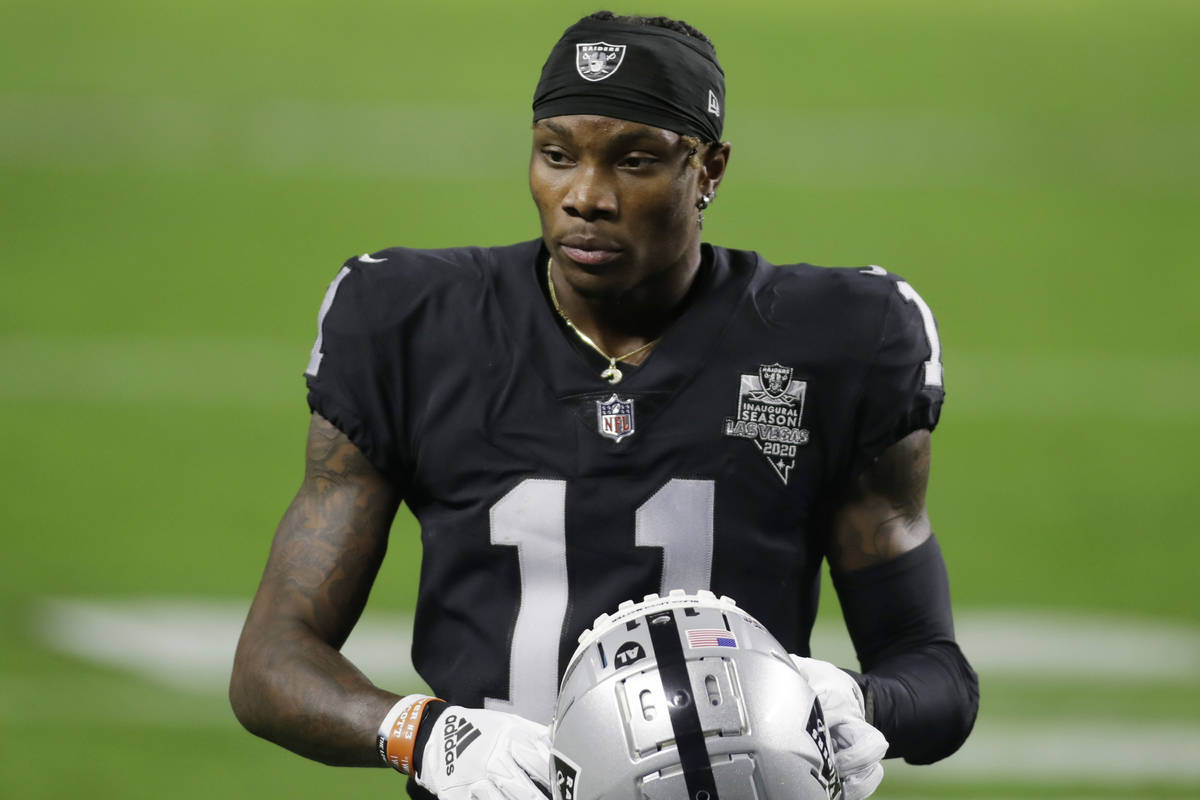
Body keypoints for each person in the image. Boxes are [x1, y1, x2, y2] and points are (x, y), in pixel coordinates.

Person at [230, 10, 979, 800]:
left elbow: (936, 674)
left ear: (710, 169)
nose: (585, 196)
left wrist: (856, 703)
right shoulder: (408, 324)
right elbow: (271, 662)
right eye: (556, 155)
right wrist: (427, 735)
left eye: (634, 161)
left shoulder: (839, 340)